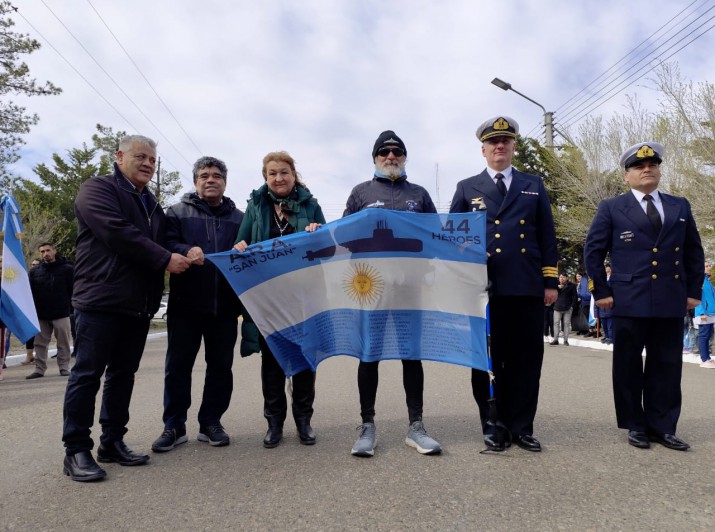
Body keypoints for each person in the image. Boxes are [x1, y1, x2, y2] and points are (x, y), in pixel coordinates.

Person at [62, 135, 192, 482]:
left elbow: (165, 239)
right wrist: (166, 258)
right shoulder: (97, 190)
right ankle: (76, 449)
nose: (148, 163)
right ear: (119, 156)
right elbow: (117, 232)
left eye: (153, 159)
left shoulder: (151, 203)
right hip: (99, 300)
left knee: (122, 376)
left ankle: (112, 441)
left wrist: (189, 250)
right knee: (86, 374)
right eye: (141, 157)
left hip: (137, 305)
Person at [585, 141, 704, 451]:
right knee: (627, 366)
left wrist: (693, 292)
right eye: (638, 166)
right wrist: (601, 291)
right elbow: (593, 252)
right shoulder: (611, 207)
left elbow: (693, 251)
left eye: (652, 165)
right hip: (627, 298)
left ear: (659, 171)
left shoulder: (680, 206)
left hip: (669, 297)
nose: (647, 169)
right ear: (627, 176)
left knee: (666, 366)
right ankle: (635, 424)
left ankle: (663, 426)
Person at [450, 116, 558, 452]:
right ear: (483, 150)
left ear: (513, 147)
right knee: (487, 362)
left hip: (526, 285)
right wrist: (467, 256)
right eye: (493, 143)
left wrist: (550, 280)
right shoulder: (467, 187)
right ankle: (493, 424)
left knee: (526, 359)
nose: (500, 147)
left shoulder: (533, 184)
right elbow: (452, 236)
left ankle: (522, 426)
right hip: (484, 290)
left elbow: (546, 235)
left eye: (506, 142)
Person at [343, 130, 442, 457]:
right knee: (368, 354)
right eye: (384, 151)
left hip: (410, 289)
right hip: (371, 288)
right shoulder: (360, 192)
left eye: (396, 151)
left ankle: (416, 426)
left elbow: (437, 237)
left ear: (404, 157)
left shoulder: (420, 194)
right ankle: (367, 426)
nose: (390, 155)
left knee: (411, 355)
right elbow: (344, 237)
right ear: (375, 158)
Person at [151, 157, 244, 452]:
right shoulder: (176, 212)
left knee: (220, 368)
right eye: (204, 175)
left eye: (217, 175)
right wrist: (183, 249)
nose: (210, 180)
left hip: (225, 308)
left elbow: (251, 247)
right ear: (195, 181)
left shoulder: (240, 218)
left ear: (225, 182)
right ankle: (174, 426)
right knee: (177, 367)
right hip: (185, 306)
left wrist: (245, 247)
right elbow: (164, 243)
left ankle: (211, 422)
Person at [234, 151, 324, 449]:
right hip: (269, 298)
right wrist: (241, 244)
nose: (279, 178)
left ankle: (303, 420)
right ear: (266, 177)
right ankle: (274, 422)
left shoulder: (311, 205)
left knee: (304, 357)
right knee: (272, 361)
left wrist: (317, 232)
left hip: (303, 297)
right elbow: (241, 243)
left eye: (284, 172)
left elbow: (327, 245)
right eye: (272, 173)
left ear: (293, 174)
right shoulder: (256, 206)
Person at [25, 243, 74, 379]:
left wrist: (71, 308)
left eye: (48, 250)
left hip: (61, 313)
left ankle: (64, 368)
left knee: (63, 342)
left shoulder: (67, 270)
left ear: (54, 251)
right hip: (41, 314)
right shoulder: (35, 272)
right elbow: (29, 293)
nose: (45, 253)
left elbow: (74, 290)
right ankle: (39, 370)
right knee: (39, 344)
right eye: (42, 251)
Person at [694, 261, 715, 369]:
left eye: (709, 265)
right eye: (706, 266)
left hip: (711, 314)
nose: (709, 267)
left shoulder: (708, 281)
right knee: (704, 336)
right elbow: (697, 297)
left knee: (708, 336)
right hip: (704, 314)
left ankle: (708, 358)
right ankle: (704, 359)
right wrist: (701, 312)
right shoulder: (700, 280)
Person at [551, 273, 577, 346]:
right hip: (557, 307)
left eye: (563, 277)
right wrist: (558, 288)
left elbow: (575, 296)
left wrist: (572, 306)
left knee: (566, 324)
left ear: (567, 278)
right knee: (556, 323)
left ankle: (566, 340)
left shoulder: (571, 285)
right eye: (560, 277)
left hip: (567, 307)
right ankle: (556, 339)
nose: (562, 278)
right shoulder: (555, 285)